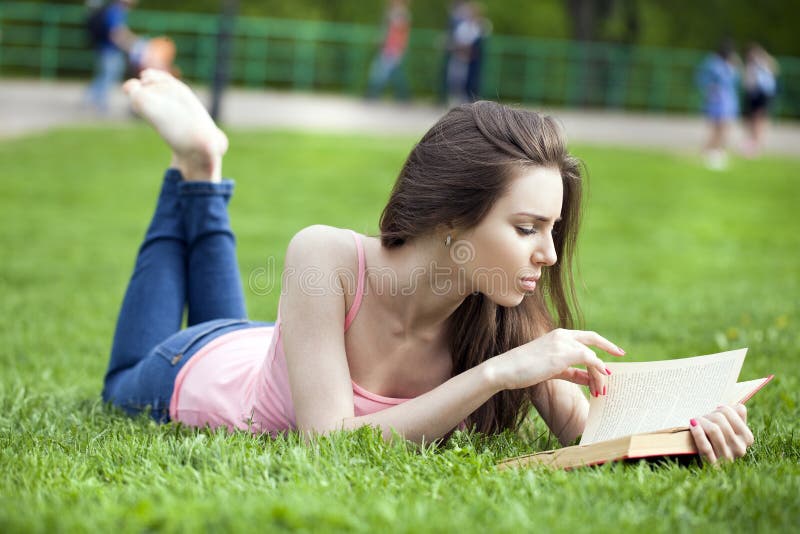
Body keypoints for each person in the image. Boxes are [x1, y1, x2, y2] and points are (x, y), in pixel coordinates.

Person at [102, 68, 755, 464]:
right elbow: (327, 446)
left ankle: (203, 168)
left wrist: (691, 428)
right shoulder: (324, 254)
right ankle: (197, 165)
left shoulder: (506, 315)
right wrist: (495, 377)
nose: (548, 255)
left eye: (552, 230)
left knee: (249, 338)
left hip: (271, 355)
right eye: (526, 228)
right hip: (193, 369)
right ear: (450, 218)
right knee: (119, 382)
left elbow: (592, 434)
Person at [85, 0, 141, 114]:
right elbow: (116, 33)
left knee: (106, 75)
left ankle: (91, 101)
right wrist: (131, 45)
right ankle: (98, 104)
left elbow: (120, 30)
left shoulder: (115, 10)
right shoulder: (116, 11)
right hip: (109, 50)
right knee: (108, 76)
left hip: (107, 49)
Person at [696, 41, 741, 171]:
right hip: (717, 100)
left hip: (727, 100)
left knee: (724, 127)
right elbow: (702, 80)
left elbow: (736, 80)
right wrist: (710, 88)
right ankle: (711, 152)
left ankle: (716, 151)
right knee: (718, 127)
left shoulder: (730, 65)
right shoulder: (712, 64)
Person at [366, 0, 411, 101]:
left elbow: (399, 33)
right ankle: (404, 97)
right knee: (392, 73)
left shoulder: (401, 14)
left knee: (382, 72)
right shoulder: (394, 13)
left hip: (393, 49)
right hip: (388, 48)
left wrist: (397, 48)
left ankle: (372, 95)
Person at [742, 43, 779, 158]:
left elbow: (775, 69)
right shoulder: (751, 65)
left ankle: (756, 144)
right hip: (753, 94)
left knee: (759, 119)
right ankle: (752, 142)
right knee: (752, 119)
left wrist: (763, 57)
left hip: (763, 95)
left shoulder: (764, 63)